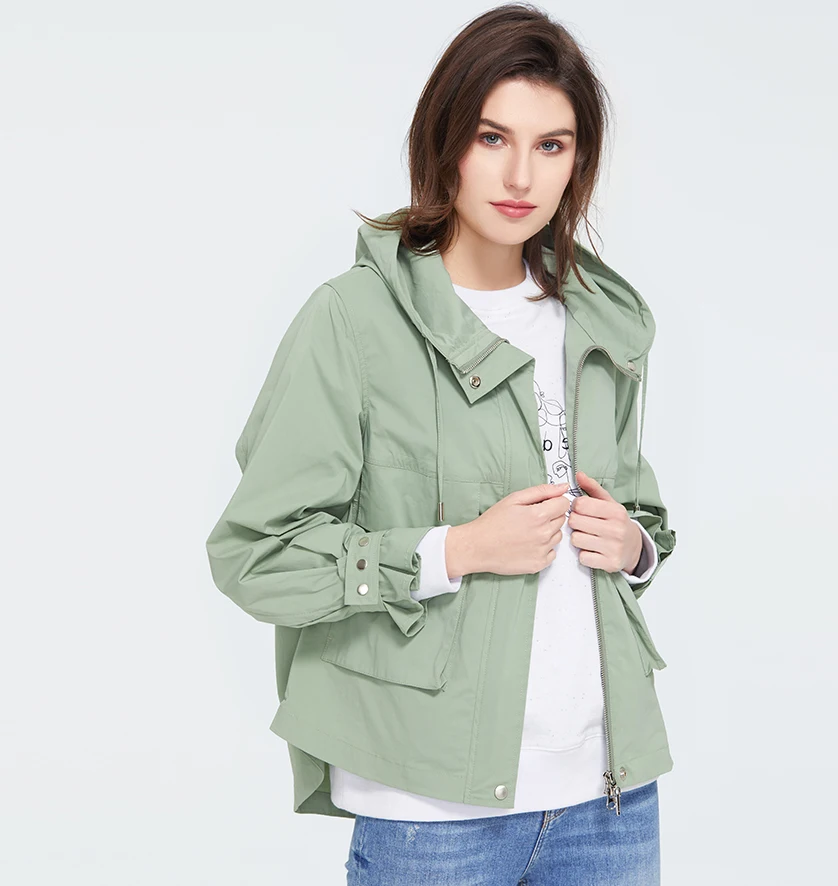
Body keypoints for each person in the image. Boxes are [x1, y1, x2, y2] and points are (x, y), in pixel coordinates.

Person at [205, 4, 678, 883]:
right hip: (432, 814)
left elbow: (639, 513)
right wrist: (454, 551)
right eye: (493, 137)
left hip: (609, 796)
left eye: (551, 145)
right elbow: (256, 555)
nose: (520, 175)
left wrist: (636, 546)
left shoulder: (598, 319)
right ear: (446, 140)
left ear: (578, 162)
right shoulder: (353, 321)